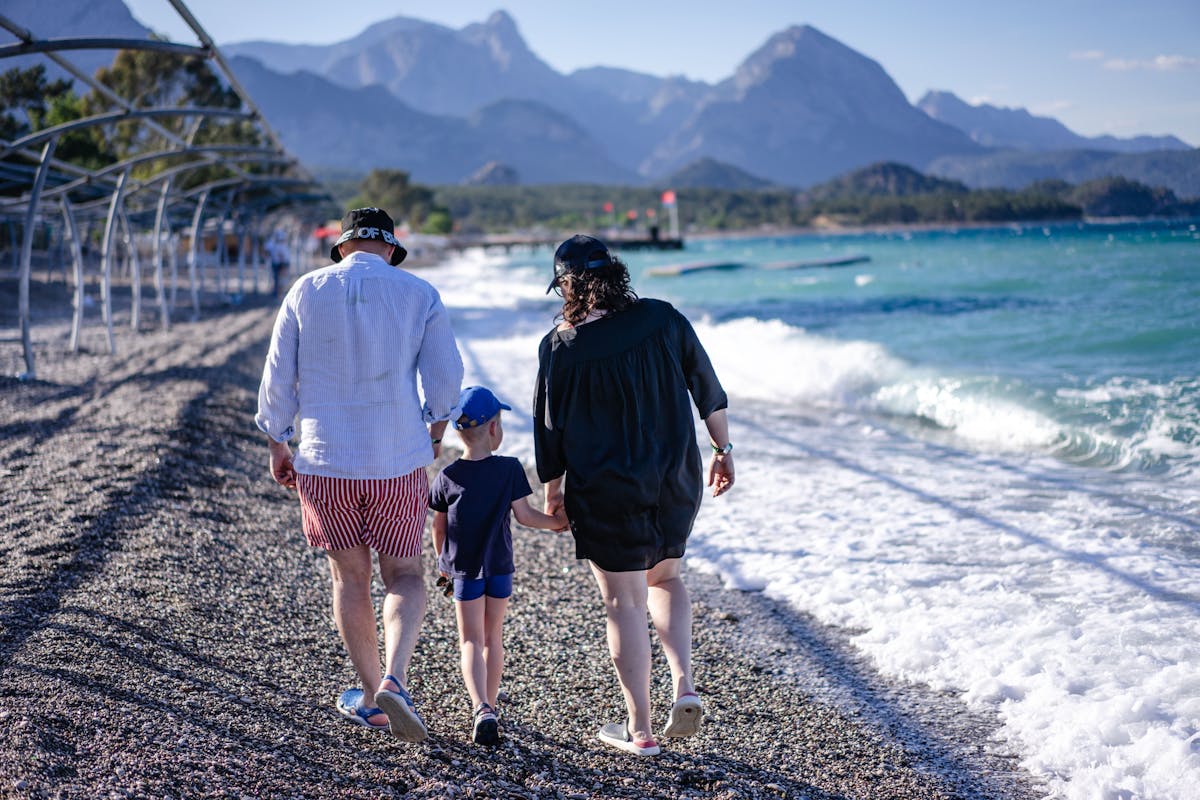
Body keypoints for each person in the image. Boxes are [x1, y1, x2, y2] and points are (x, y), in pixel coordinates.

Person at [255, 207, 463, 742]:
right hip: (397, 459)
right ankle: (396, 676)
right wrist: (435, 435)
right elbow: (444, 380)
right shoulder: (419, 294)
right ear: (390, 248)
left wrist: (279, 442)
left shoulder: (305, 290)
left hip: (325, 460)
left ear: (342, 247)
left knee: (350, 579)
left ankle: (371, 698)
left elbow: (277, 376)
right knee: (406, 576)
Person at [534, 234, 735, 757]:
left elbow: (550, 430)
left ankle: (640, 729)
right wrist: (723, 449)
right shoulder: (665, 318)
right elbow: (706, 389)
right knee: (666, 577)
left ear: (567, 285)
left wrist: (552, 490)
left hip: (604, 487)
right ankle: (685, 684)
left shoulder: (559, 345)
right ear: (616, 273)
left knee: (623, 600)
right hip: (674, 477)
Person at [428, 385, 568, 745]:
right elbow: (525, 516)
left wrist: (443, 563)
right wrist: (558, 523)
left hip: (463, 570)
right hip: (500, 568)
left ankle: (481, 708)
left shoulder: (448, 476)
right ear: (493, 428)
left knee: (470, 639)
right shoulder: (509, 469)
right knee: (493, 638)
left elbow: (438, 525)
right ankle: (490, 703)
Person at [264, 229, 291, 298]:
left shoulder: (280, 245)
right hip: (279, 264)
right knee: (278, 279)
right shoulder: (276, 244)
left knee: (280, 279)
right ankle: (278, 293)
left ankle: (279, 293)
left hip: (281, 264)